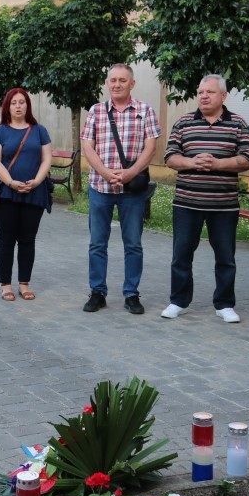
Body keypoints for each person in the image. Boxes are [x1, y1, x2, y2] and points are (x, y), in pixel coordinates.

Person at [162, 74, 249, 324]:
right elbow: (169, 156)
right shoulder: (183, 122)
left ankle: (224, 304)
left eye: (210, 92)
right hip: (187, 203)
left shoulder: (238, 124)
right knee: (181, 255)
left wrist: (218, 164)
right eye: (200, 92)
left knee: (225, 257)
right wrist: (192, 162)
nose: (203, 96)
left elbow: (247, 159)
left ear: (223, 96)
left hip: (224, 205)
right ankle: (178, 301)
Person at [80, 63, 161, 314]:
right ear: (107, 83)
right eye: (113, 80)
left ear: (132, 84)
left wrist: (130, 173)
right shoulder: (96, 111)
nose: (117, 84)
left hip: (132, 191)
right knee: (97, 244)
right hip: (100, 188)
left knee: (133, 244)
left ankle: (131, 294)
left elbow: (151, 146)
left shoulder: (145, 110)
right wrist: (105, 173)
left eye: (122, 80)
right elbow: (87, 146)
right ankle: (97, 292)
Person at [0, 88, 53, 302]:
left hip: (35, 193)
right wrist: (11, 183)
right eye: (14, 102)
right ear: (7, 106)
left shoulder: (39, 130)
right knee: (6, 239)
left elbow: (47, 158)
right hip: (6, 193)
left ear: (27, 105)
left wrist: (37, 181)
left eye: (22, 102)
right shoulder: (0, 131)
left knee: (27, 240)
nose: (18, 106)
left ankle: (24, 284)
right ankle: (5, 284)